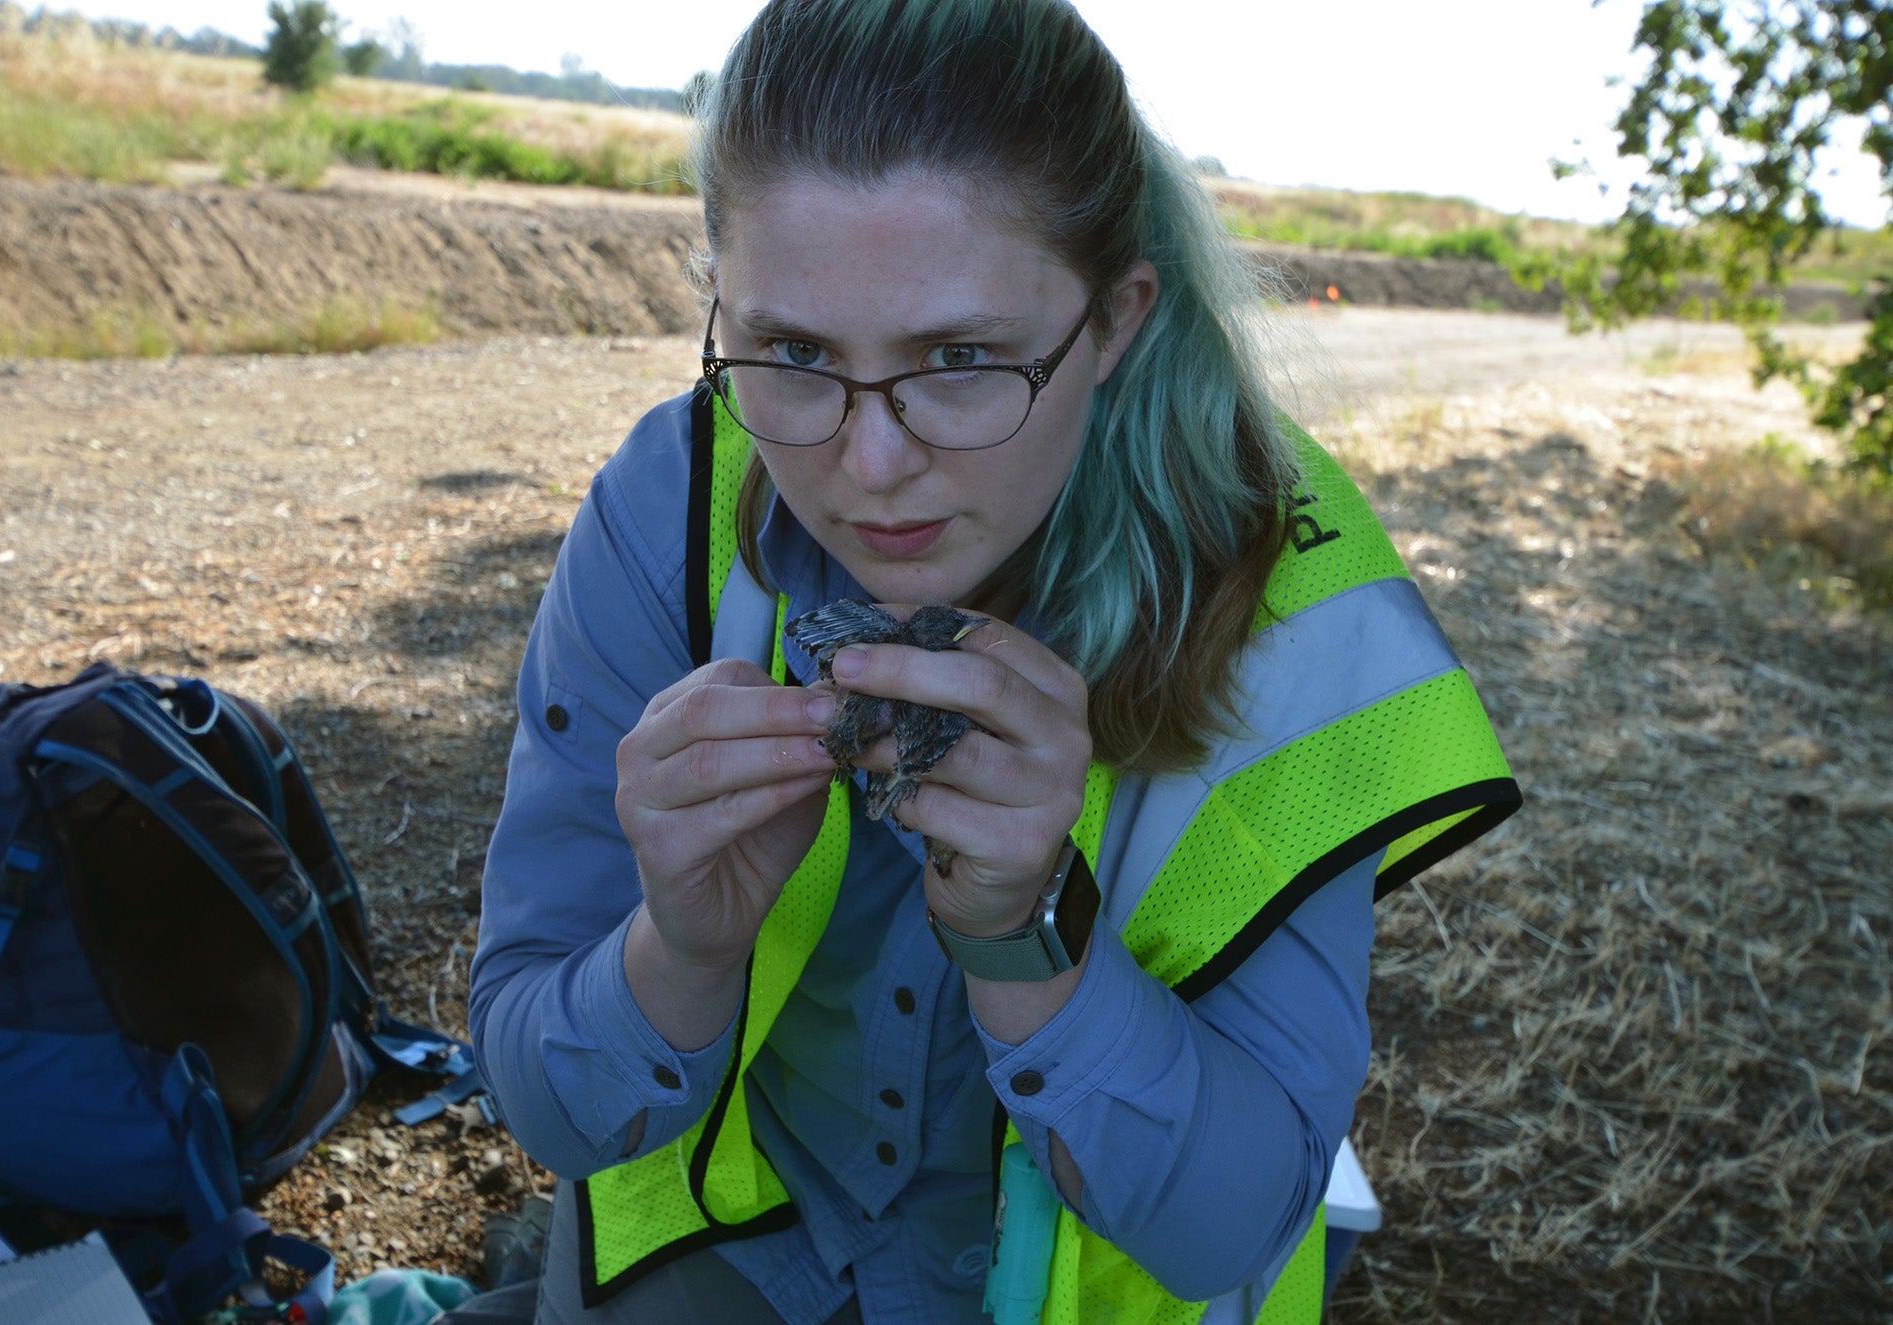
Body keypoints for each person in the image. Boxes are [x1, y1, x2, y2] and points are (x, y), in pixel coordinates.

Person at [449, 1, 1520, 1322]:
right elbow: (542, 1097)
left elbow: (1236, 1223)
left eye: (960, 360)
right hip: (726, 1255)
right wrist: (674, 947)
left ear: (1117, 321)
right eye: (792, 353)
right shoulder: (668, 508)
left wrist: (1031, 941)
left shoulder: (1287, 608)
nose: (872, 466)